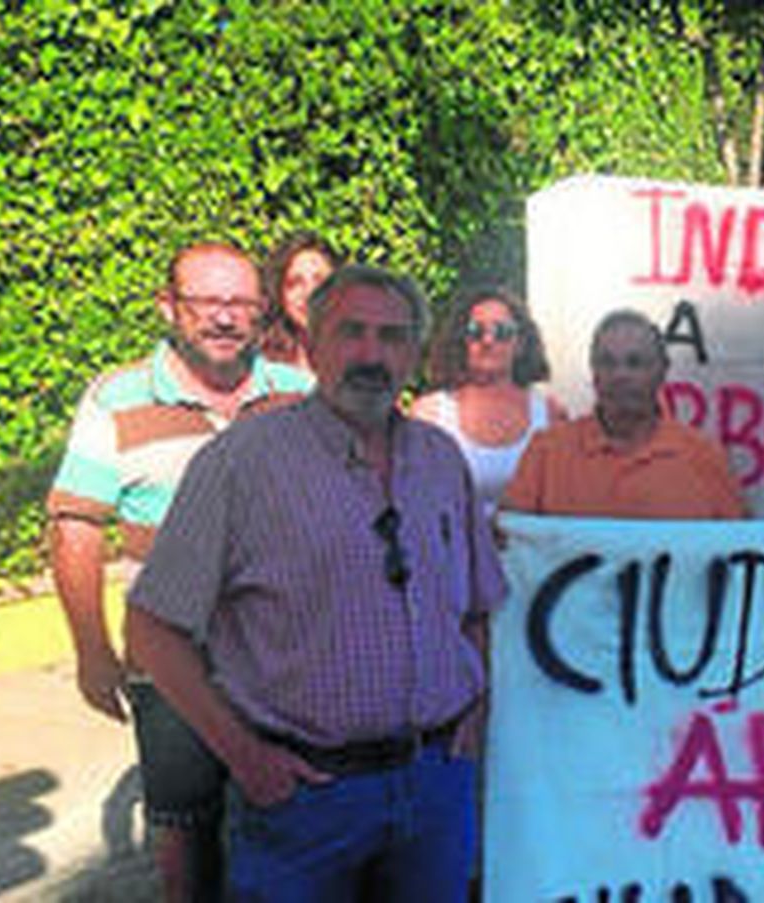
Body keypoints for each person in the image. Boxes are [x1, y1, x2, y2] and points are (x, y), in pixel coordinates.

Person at [124, 265, 502, 900]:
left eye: (392, 337)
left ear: (413, 352)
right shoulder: (241, 464)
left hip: (436, 786)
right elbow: (153, 627)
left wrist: (475, 712)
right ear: (313, 343)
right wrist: (241, 753)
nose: (371, 354)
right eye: (351, 332)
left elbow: (478, 606)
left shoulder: (440, 460)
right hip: (302, 800)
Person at [45, 241, 312, 902]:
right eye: (206, 302)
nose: (224, 318)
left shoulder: (302, 394)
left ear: (261, 312)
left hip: (287, 654)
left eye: (241, 303)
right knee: (185, 828)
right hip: (171, 659)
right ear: (170, 306)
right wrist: (92, 651)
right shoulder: (117, 398)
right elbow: (77, 525)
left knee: (293, 813)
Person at [503, 309, 746, 519]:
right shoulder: (547, 451)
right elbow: (511, 543)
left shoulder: (703, 455)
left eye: (635, 363)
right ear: (594, 374)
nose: (620, 376)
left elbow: (741, 548)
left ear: (662, 371)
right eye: (607, 363)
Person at [410, 282, 566, 517]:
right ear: (462, 342)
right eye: (475, 331)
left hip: (529, 552)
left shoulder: (550, 414)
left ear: (520, 344)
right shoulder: (430, 415)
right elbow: (415, 502)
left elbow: (561, 503)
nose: (488, 341)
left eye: (502, 332)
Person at [259, 232, 340, 370]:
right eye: (295, 283)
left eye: (320, 281)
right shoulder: (261, 368)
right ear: (280, 294)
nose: (309, 293)